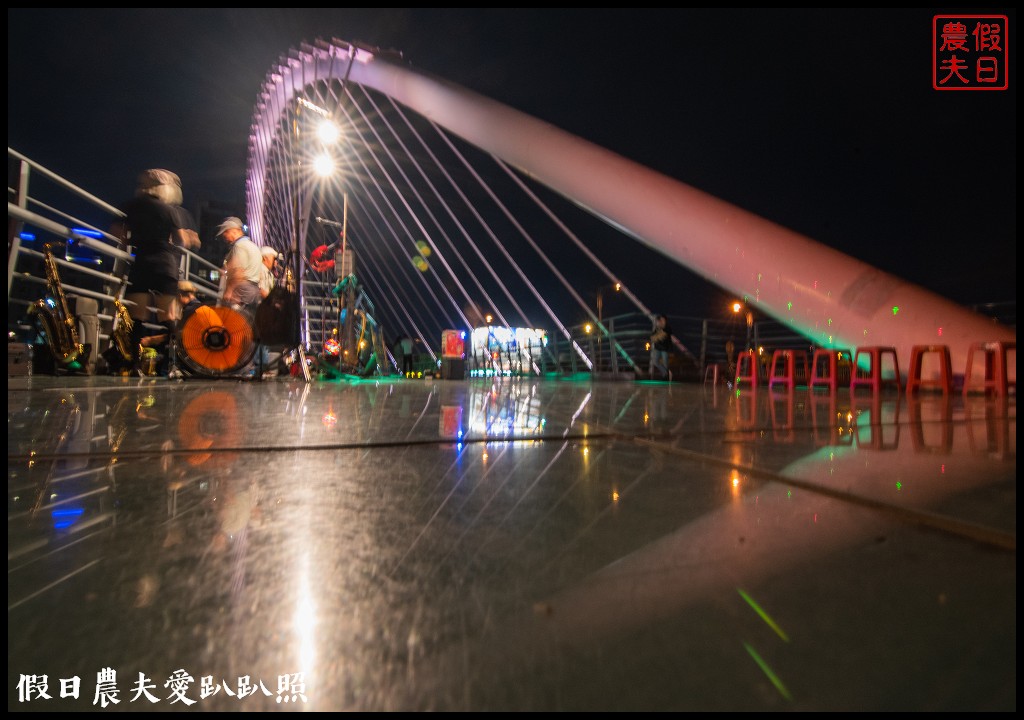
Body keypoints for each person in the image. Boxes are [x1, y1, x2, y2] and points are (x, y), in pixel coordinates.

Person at [113, 169, 201, 377]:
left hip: (141, 262)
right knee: (168, 318)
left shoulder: (131, 206)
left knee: (137, 318)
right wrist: (187, 239)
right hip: (165, 265)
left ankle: (135, 365)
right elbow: (181, 240)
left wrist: (133, 240)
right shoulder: (168, 210)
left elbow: (118, 233)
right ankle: (179, 364)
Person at [215, 217, 262, 316]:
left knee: (232, 321)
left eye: (226, 232)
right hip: (254, 290)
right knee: (249, 323)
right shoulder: (254, 246)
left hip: (242, 290)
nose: (224, 235)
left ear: (235, 231)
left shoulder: (239, 246)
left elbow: (238, 271)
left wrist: (229, 291)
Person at [648, 314, 673, 381]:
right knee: (655, 361)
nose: (661, 321)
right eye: (660, 319)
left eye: (663, 319)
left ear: (665, 320)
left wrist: (657, 337)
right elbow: (652, 337)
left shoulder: (668, 328)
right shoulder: (657, 328)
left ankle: (665, 376)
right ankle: (666, 374)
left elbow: (662, 335)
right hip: (657, 348)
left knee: (665, 364)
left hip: (665, 348)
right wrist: (656, 337)